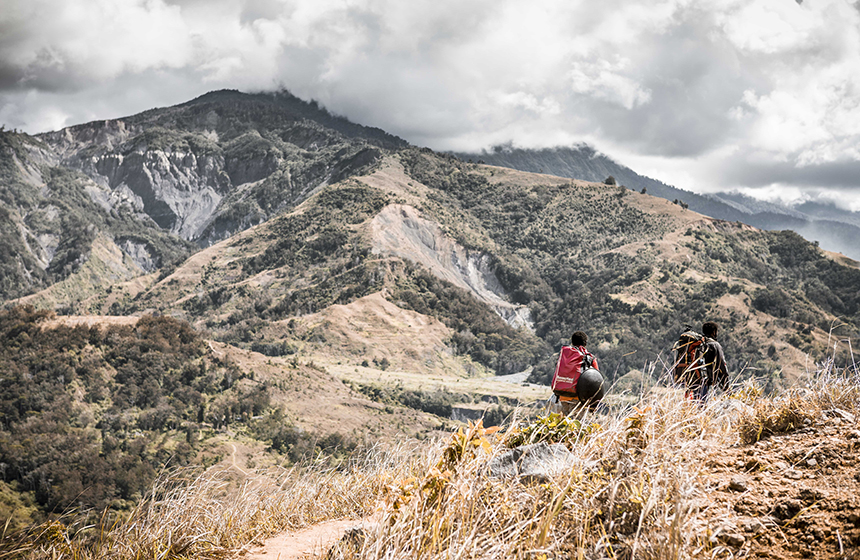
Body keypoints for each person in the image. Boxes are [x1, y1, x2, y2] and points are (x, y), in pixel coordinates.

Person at [549, 331, 605, 416]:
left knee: (562, 426)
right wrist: (593, 405)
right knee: (576, 427)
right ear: (585, 343)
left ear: (572, 342)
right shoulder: (589, 358)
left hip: (561, 397)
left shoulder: (564, 356)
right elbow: (597, 382)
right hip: (578, 399)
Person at [688, 321, 729, 402]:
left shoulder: (698, 343)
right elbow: (721, 364)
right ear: (714, 332)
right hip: (706, 380)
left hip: (694, 378)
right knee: (702, 404)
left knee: (696, 402)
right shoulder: (715, 345)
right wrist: (726, 383)